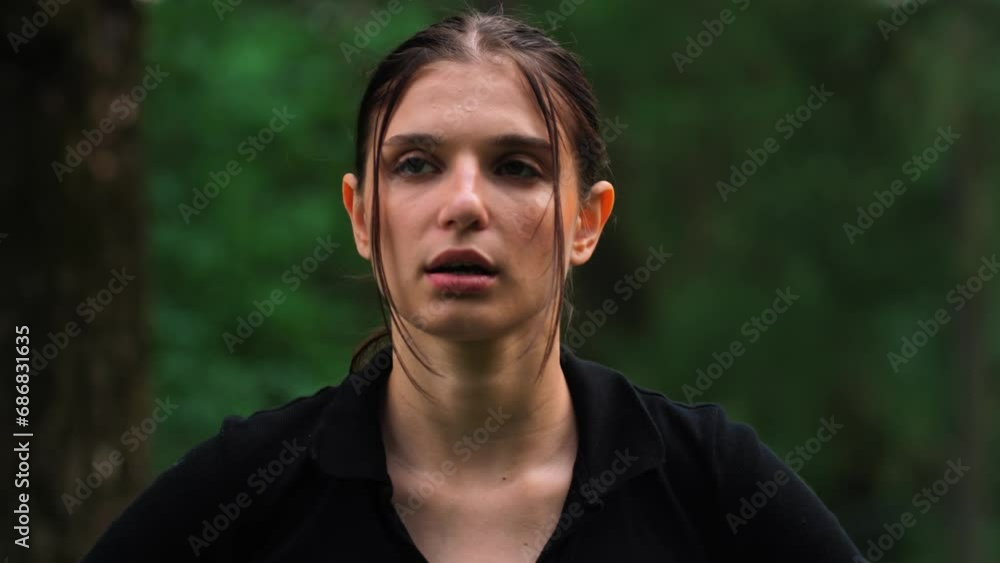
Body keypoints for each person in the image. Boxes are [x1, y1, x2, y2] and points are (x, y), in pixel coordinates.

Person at [81, 9, 863, 563]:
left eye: (516, 167)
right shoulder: (248, 491)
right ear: (362, 215)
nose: (463, 204)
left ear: (586, 222)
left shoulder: (709, 484)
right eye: (416, 164)